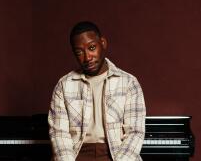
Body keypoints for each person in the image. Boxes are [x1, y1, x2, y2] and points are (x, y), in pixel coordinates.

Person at [48, 21, 146, 161]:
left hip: (116, 155)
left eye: (92, 47)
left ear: (103, 43)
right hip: (76, 155)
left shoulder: (129, 83)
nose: (87, 57)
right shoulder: (64, 85)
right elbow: (59, 133)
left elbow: (135, 133)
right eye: (79, 52)